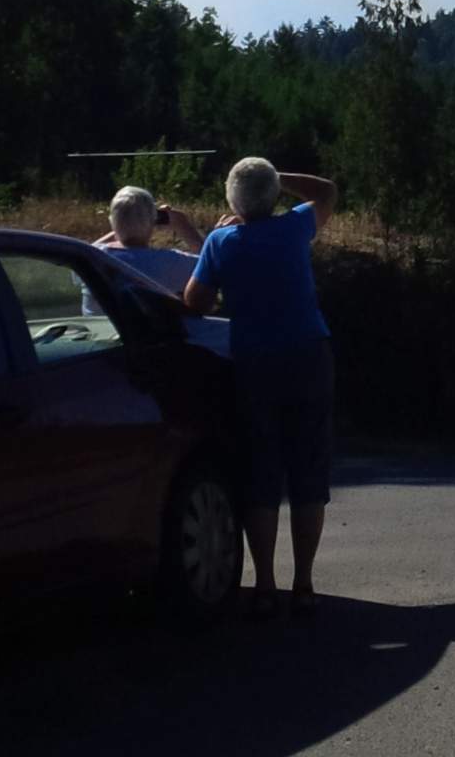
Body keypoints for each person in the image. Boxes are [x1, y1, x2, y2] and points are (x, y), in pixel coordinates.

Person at [184, 158, 337, 617]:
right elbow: (327, 189)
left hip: (255, 363)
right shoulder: (294, 228)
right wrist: (277, 178)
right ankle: (304, 583)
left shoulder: (221, 241)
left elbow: (196, 301)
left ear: (233, 201)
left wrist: (215, 238)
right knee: (308, 469)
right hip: (309, 355)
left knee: (262, 470)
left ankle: (266, 584)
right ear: (273, 198)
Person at [92, 185, 204, 296]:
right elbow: (210, 266)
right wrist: (183, 225)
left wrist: (125, 222)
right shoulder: (169, 262)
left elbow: (89, 248)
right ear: (153, 221)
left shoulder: (91, 258)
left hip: (102, 315)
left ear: (112, 220)